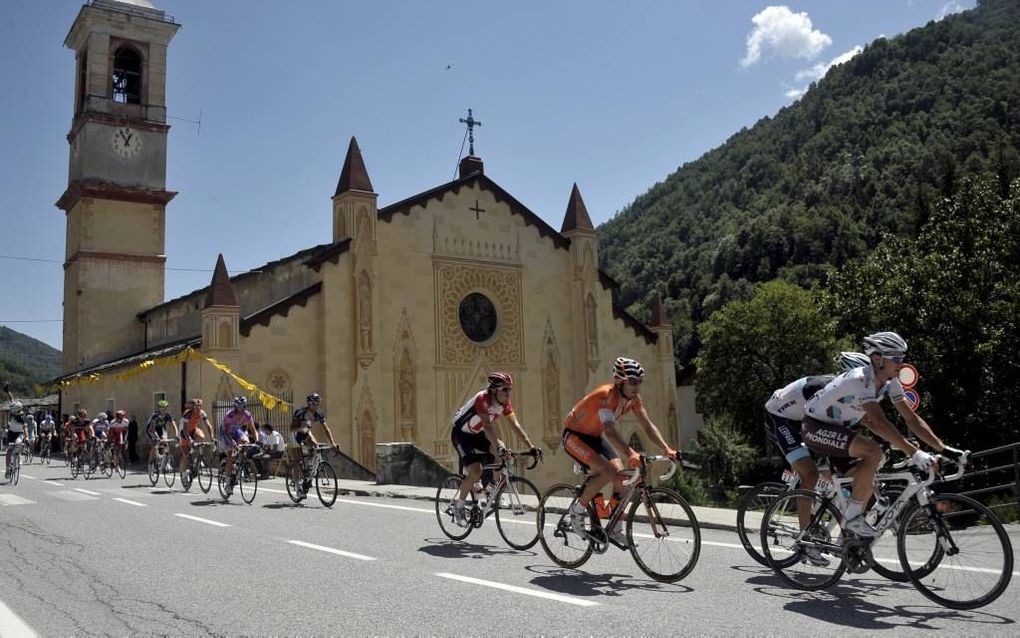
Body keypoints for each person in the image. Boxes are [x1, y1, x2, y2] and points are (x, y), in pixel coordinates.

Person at [803, 332, 964, 537]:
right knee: (873, 452)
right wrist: (915, 453)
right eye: (896, 359)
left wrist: (944, 449)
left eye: (902, 359)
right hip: (815, 427)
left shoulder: (890, 382)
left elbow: (911, 419)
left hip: (838, 429)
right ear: (878, 359)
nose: (901, 364)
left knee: (869, 481)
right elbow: (878, 420)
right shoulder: (861, 379)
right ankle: (851, 519)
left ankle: (848, 540)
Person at [763, 351, 870, 566]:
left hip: (810, 422)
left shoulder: (849, 393)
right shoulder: (824, 388)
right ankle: (805, 541)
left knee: (853, 475)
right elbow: (816, 426)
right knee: (810, 475)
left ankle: (844, 536)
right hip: (782, 419)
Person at [561, 357, 679, 544]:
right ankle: (577, 511)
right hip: (574, 436)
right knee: (607, 471)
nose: (636, 387)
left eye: (639, 382)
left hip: (594, 437)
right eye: (632, 383)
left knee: (622, 476)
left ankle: (615, 528)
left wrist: (666, 449)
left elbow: (647, 426)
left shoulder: (633, 400)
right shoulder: (607, 396)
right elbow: (610, 430)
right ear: (619, 382)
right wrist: (631, 453)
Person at [448, 372, 541, 527]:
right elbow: (488, 426)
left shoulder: (504, 404)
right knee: (476, 470)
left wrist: (530, 446)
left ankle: (491, 489)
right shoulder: (482, 399)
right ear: (494, 390)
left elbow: (515, 426)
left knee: (502, 452)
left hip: (477, 433)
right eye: (505, 389)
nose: (508, 393)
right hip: (461, 434)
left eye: (510, 389)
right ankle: (458, 507)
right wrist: (498, 447)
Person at [289, 393, 341, 499]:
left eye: (318, 403)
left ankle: (308, 471)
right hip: (296, 433)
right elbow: (291, 429)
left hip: (306, 432)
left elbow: (326, 429)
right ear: (309, 404)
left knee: (315, 447)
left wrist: (333, 443)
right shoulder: (300, 413)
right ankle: (298, 488)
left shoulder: (319, 414)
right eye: (314, 403)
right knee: (297, 460)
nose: (316, 406)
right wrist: (300, 427)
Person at [220, 396, 258, 495]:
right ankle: (228, 483)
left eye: (243, 407)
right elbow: (227, 432)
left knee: (246, 442)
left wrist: (258, 441)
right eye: (239, 407)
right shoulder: (230, 415)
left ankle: (240, 462)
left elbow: (253, 430)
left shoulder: (247, 415)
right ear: (235, 407)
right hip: (226, 433)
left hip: (236, 431)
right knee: (230, 455)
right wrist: (233, 443)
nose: (241, 410)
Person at [178, 398, 214, 478]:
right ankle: (183, 474)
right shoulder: (187, 414)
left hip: (193, 429)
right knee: (186, 454)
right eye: (196, 407)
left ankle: (197, 458)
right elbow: (184, 429)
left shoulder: (202, 413)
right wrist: (190, 439)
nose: (198, 408)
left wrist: (212, 438)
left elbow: (208, 425)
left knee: (202, 437)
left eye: (200, 406)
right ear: (192, 407)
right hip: (184, 432)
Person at [4, 382, 28, 478]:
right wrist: (7, 391)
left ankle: (19, 456)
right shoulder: (14, 408)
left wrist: (27, 438)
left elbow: (25, 427)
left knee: (19, 442)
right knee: (9, 451)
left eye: (14, 409)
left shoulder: (21, 417)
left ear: (18, 410)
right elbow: (11, 399)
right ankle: (7, 468)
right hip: (11, 432)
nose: (12, 410)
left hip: (19, 433)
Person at [146, 400, 179, 465]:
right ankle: (150, 461)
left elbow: (174, 426)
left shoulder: (168, 415)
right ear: (159, 409)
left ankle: (167, 462)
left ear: (166, 408)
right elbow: (153, 429)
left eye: (165, 409)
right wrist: (157, 438)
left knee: (166, 443)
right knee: (155, 445)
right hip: (151, 430)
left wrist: (177, 435)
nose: (163, 411)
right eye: (161, 409)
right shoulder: (155, 416)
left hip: (161, 429)